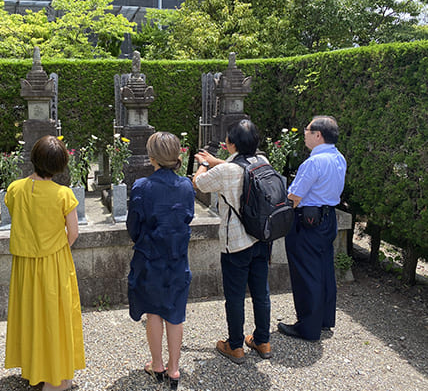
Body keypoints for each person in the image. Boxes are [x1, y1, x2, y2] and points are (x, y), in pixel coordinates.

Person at [4, 135, 85, 391]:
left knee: (31, 315)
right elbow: (73, 233)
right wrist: (55, 249)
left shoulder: (14, 189)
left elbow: (18, 215)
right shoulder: (63, 194)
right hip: (54, 263)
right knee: (56, 316)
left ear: (34, 159)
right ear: (61, 164)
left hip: (24, 265)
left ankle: (34, 370)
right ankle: (57, 378)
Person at [193, 119, 272, 364]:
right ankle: (263, 341)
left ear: (230, 144)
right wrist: (218, 162)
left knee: (235, 295)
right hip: (261, 238)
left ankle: (235, 346)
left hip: (236, 244)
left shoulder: (226, 171)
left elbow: (200, 183)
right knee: (261, 292)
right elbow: (237, 167)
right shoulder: (262, 162)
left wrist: (204, 164)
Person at [127, 132, 195, 390]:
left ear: (151, 157)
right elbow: (186, 219)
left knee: (153, 310)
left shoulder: (142, 187)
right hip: (177, 257)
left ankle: (157, 364)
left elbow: (133, 226)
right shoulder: (187, 186)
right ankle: (174, 369)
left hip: (150, 257)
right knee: (175, 313)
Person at [278, 116, 346, 342]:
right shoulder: (339, 158)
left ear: (318, 135)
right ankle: (324, 319)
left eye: (307, 130)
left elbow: (295, 197)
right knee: (324, 269)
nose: (304, 134)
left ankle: (308, 327)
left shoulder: (314, 162)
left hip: (308, 221)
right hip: (328, 219)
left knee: (307, 273)